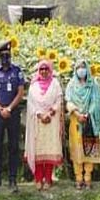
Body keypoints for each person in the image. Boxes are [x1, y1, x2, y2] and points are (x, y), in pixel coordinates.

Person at [0, 41, 25, 193]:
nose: (5, 58)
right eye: (2, 56)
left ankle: (13, 179)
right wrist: (1, 108)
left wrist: (9, 108)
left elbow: (20, 92)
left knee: (13, 147)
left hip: (13, 112)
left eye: (7, 55)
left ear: (11, 55)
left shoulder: (17, 71)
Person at [23, 59, 63, 191]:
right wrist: (40, 114)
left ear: (50, 70)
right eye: (41, 69)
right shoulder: (33, 86)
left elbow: (58, 100)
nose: (44, 71)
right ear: (38, 71)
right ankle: (38, 178)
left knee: (49, 150)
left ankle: (48, 179)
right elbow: (31, 104)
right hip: (37, 121)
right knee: (38, 150)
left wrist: (50, 113)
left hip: (51, 121)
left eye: (46, 69)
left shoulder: (55, 84)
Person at [66, 59, 100, 190]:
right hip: (76, 122)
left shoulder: (93, 85)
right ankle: (78, 178)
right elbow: (68, 101)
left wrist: (87, 114)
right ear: (75, 70)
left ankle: (88, 177)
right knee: (77, 150)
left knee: (89, 149)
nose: (81, 70)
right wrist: (76, 113)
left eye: (83, 67)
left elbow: (96, 102)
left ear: (87, 69)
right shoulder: (71, 85)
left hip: (89, 121)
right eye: (78, 68)